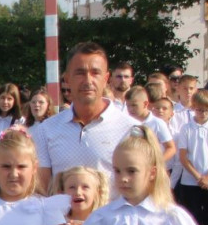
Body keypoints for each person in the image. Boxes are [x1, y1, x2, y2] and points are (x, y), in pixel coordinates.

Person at [33, 43, 138, 190]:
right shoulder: (46, 130)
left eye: (95, 73)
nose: (88, 80)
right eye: (80, 73)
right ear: (67, 79)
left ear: (106, 78)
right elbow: (43, 190)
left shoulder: (129, 129)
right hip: (60, 213)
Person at [174, 89, 208, 225]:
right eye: (198, 110)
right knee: (195, 217)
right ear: (193, 108)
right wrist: (198, 176)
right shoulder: (186, 128)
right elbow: (183, 156)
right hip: (191, 181)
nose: (201, 113)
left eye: (205, 110)